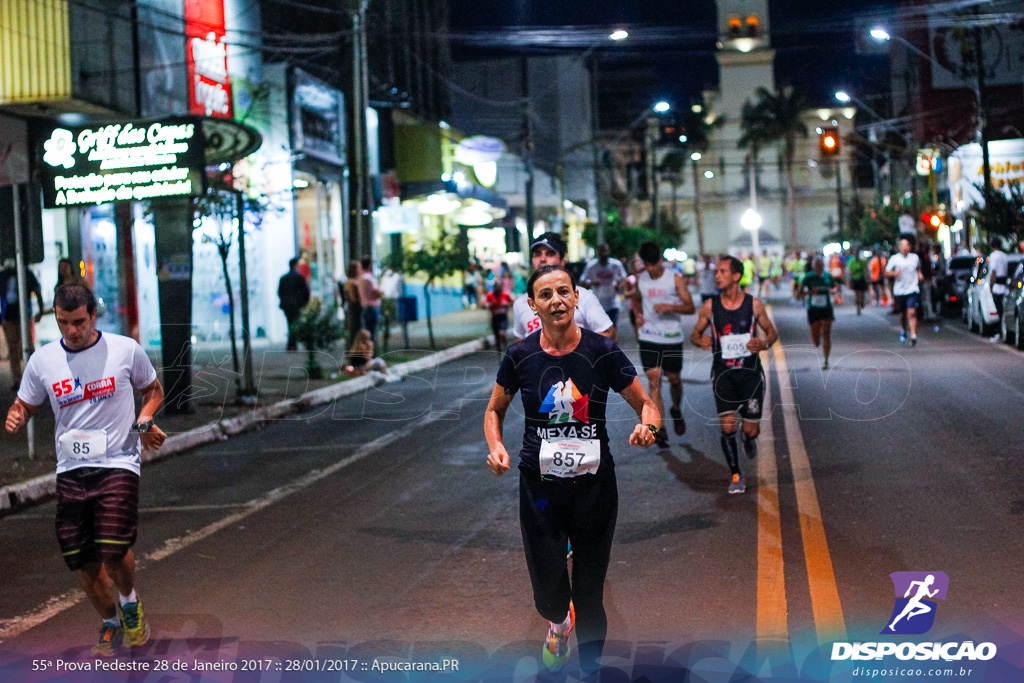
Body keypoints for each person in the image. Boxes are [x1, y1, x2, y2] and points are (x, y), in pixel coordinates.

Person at [484, 264, 659, 675]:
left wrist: (648, 426)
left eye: (564, 291)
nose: (557, 300)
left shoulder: (602, 351)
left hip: (594, 488)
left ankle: (592, 669)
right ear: (532, 305)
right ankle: (559, 623)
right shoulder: (520, 356)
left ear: (577, 298)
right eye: (546, 295)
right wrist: (496, 447)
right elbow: (494, 410)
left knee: (590, 591)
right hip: (540, 489)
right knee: (548, 593)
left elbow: (645, 404)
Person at [5, 283, 166, 655]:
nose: (72, 331)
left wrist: (144, 422)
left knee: (112, 545)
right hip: (71, 468)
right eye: (63, 323)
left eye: (78, 322)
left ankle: (130, 604)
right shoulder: (43, 360)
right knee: (80, 560)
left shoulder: (125, 350)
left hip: (117, 461)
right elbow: (25, 403)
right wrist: (17, 414)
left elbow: (153, 390)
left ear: (94, 315)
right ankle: (111, 621)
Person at [690, 256, 778, 494]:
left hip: (750, 375)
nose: (717, 276)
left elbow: (771, 333)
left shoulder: (753, 305)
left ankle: (748, 439)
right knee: (727, 427)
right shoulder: (710, 306)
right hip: (723, 375)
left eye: (722, 271)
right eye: (716, 271)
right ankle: (736, 475)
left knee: (751, 430)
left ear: (736, 276)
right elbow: (694, 335)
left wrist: (763, 342)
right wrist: (701, 341)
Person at [633, 240, 696, 445]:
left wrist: (670, 306)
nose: (650, 268)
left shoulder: (674, 278)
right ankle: (659, 429)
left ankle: (676, 409)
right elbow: (636, 300)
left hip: (671, 337)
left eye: (653, 263)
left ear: (660, 260)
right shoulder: (640, 279)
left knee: (675, 379)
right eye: (647, 264)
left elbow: (690, 307)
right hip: (649, 336)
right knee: (655, 380)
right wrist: (639, 316)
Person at [512, 232, 614, 341]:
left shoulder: (583, 297)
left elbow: (608, 332)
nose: (542, 259)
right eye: (537, 254)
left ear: (562, 262)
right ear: (532, 304)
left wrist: (575, 353)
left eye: (550, 254)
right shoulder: (521, 303)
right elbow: (519, 340)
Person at [0, 258, 45, 384]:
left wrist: (40, 311)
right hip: (8, 314)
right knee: (13, 347)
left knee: (27, 346)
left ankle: (33, 376)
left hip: (24, 313)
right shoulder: (3, 276)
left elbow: (37, 292)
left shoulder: (27, 274)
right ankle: (17, 378)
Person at [580, 244, 628, 336]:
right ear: (598, 253)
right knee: (600, 330)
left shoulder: (616, 265)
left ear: (609, 252)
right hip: (597, 303)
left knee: (613, 329)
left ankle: (613, 347)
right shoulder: (591, 266)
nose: (604, 253)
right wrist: (593, 283)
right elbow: (582, 283)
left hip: (613, 302)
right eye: (601, 251)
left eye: (605, 251)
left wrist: (620, 286)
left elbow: (624, 279)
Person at [802, 257, 838, 370]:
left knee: (826, 334)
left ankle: (826, 360)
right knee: (815, 337)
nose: (818, 267)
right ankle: (816, 340)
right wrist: (811, 292)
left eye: (820, 265)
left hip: (826, 307)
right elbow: (799, 293)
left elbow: (835, 286)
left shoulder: (828, 276)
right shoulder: (808, 277)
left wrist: (833, 291)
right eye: (816, 265)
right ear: (813, 266)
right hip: (813, 308)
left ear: (823, 266)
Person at [885, 237, 922, 346]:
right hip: (899, 290)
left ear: (909, 247)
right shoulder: (895, 259)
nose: (904, 248)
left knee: (912, 312)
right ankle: (903, 330)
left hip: (912, 289)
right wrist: (895, 273)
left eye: (906, 246)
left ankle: (913, 335)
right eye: (902, 246)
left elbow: (918, 269)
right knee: (903, 313)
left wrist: (920, 275)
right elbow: (887, 272)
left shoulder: (914, 258)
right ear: (899, 247)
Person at [278, 257, 310, 351]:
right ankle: (293, 344)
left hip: (287, 305)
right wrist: (304, 302)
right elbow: (305, 291)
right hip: (296, 305)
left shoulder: (284, 278)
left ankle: (292, 344)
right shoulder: (298, 278)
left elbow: (280, 292)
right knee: (295, 323)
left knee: (291, 323)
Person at [987, 237, 1009, 339]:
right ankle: (1003, 331)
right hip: (1004, 285)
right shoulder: (1005, 256)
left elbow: (993, 272)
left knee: (999, 311)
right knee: (1003, 311)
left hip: (997, 286)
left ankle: (999, 332)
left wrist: (991, 286)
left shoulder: (993, 256)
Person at [358, 255, 383, 342]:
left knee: (367, 333)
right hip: (372, 308)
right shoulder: (369, 278)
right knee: (372, 334)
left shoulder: (361, 278)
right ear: (369, 265)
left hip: (364, 307)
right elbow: (377, 293)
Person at [485, 279, 513, 352]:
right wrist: (490, 305)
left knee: (502, 333)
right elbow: (485, 304)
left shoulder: (505, 294)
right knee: (497, 337)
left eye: (499, 288)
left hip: (503, 317)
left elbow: (512, 303)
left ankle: (505, 347)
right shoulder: (490, 295)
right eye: (496, 288)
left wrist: (505, 304)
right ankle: (499, 353)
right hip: (495, 318)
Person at [341, 261, 363, 347]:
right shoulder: (350, 283)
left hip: (355, 309)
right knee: (355, 331)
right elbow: (353, 298)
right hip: (355, 310)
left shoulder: (354, 282)